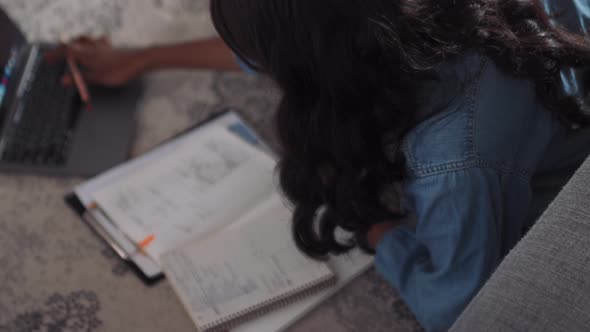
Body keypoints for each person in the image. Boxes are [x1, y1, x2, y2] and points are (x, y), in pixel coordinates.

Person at [48, 0, 590, 330]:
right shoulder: (382, 17)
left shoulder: (454, 167)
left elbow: (461, 311)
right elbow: (284, 37)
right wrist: (141, 57)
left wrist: (383, 236)